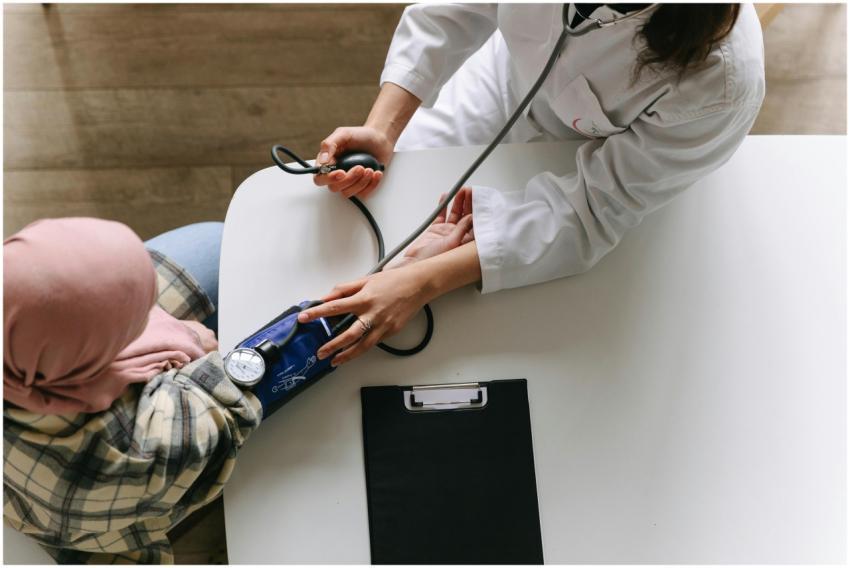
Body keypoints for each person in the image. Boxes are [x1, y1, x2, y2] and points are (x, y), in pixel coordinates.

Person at [300, 3, 766, 365]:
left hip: (597, 155)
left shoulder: (720, 81)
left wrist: (420, 283)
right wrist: (383, 128)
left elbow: (593, 210)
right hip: (499, 83)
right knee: (365, 227)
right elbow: (452, 10)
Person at [3, 218, 261, 563]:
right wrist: (200, 345)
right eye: (139, 321)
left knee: (218, 240)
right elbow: (223, 416)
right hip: (93, 512)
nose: (151, 317)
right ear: (88, 360)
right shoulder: (122, 454)